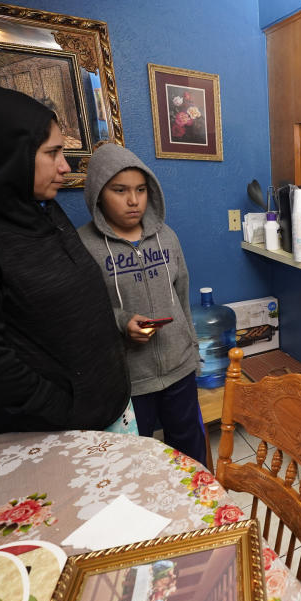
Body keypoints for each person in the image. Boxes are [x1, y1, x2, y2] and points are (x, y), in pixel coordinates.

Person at [0, 84, 132, 434]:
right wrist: (65, 410)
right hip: (53, 430)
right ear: (7, 154)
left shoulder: (42, 207)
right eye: (53, 153)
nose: (65, 167)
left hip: (109, 411)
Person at [78, 143, 207, 463]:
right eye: (119, 190)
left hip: (179, 368)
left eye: (140, 189)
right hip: (129, 378)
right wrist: (123, 322)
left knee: (189, 449)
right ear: (98, 193)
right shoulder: (84, 245)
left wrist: (193, 350)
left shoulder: (168, 237)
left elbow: (182, 297)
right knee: (135, 459)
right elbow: (83, 314)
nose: (133, 200)